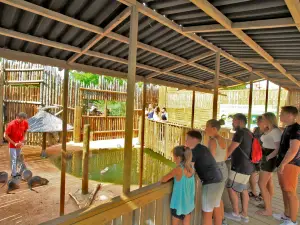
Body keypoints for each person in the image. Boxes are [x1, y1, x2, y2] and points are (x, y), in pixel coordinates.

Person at [185, 130, 223, 225]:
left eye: (187, 139)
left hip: (210, 183)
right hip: (219, 180)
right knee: (216, 207)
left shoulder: (193, 151)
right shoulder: (203, 148)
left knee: (207, 213)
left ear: (194, 139)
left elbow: (190, 171)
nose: (185, 141)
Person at [225, 113, 254, 223]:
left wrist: (220, 159)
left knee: (231, 188)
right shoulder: (249, 132)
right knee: (243, 189)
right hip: (248, 166)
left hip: (239, 166)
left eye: (234, 121)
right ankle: (244, 214)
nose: (232, 123)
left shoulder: (240, 133)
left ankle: (236, 213)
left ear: (240, 121)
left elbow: (230, 149)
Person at [273, 106, 300, 225]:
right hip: (284, 163)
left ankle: (293, 220)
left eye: (282, 113)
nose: (279, 115)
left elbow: (293, 150)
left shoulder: (296, 129)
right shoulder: (288, 128)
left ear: (290, 115)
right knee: (284, 190)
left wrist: (283, 164)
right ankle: (286, 214)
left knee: (290, 192)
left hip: (291, 164)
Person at [161, 145, 195, 225]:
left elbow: (164, 179)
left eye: (174, 157)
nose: (173, 159)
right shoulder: (191, 168)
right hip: (188, 204)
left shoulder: (178, 169)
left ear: (179, 158)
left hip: (178, 204)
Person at [257, 112, 282, 216]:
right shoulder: (268, 130)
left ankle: (268, 210)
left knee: (261, 183)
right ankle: (267, 203)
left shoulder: (276, 131)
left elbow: (277, 149)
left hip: (269, 158)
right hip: (265, 156)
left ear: (269, 119)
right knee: (268, 182)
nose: (261, 120)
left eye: (263, 118)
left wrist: (267, 157)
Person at [205, 119, 229, 225]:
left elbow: (210, 158)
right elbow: (225, 156)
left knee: (212, 203)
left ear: (214, 129)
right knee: (218, 198)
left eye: (207, 127)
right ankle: (222, 220)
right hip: (223, 168)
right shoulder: (223, 139)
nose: (205, 129)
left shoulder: (213, 141)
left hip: (215, 171)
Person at [4, 112, 29, 178]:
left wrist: (24, 139)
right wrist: (14, 143)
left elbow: (25, 131)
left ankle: (16, 172)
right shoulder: (11, 125)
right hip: (12, 145)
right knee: (13, 159)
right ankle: (14, 174)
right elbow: (5, 136)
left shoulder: (25, 122)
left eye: (23, 120)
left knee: (17, 158)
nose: (22, 121)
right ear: (17, 118)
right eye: (21, 120)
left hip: (20, 144)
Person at [249, 116, 264, 201]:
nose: (258, 121)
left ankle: (260, 193)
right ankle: (256, 192)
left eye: (259, 120)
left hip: (261, 156)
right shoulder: (257, 129)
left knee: (260, 177)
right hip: (257, 155)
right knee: (254, 174)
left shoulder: (265, 131)